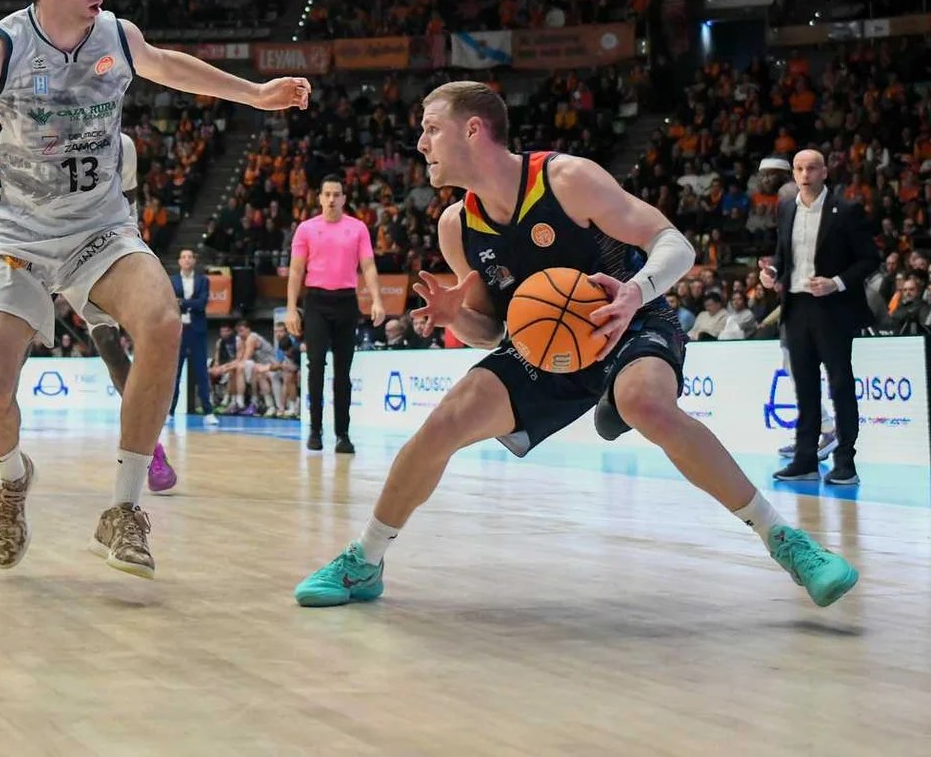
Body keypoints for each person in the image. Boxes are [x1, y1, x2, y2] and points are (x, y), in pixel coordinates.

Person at [295, 81, 857, 610]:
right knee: (444, 423)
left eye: (430, 128)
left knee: (644, 401)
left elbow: (675, 245)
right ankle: (365, 560)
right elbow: (493, 332)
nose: (420, 143)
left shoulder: (564, 179)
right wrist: (457, 317)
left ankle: (786, 541)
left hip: (625, 317)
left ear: (472, 130)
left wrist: (636, 292)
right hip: (543, 348)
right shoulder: (456, 226)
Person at [0, 0, 308, 578]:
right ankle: (11, 475)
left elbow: (169, 65)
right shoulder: (1, 49)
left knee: (163, 322)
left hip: (101, 231)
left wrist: (255, 93)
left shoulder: (117, 35)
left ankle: (124, 508)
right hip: (18, 236)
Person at [0, 133, 181, 496]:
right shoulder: (27, 133)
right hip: (30, 246)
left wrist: (125, 257)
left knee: (112, 349)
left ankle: (151, 450)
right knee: (10, 357)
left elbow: (129, 205)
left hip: (93, 247)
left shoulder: (121, 145)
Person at [760, 148, 878, 485]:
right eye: (799, 168)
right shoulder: (786, 208)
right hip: (796, 307)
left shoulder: (846, 210)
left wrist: (836, 282)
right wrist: (772, 273)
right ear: (793, 173)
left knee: (840, 384)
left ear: (824, 172)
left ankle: (846, 462)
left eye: (812, 168)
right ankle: (805, 460)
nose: (805, 174)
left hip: (833, 308)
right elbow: (784, 257)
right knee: (805, 388)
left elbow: (870, 259)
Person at [284, 177, 385, 453]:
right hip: (316, 301)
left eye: (336, 194)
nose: (331, 199)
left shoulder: (357, 228)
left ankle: (343, 434)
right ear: (319, 198)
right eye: (327, 194)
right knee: (315, 365)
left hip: (346, 302)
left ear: (344, 198)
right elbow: (296, 271)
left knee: (343, 371)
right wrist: (291, 309)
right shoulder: (306, 229)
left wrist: (377, 300)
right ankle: (315, 430)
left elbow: (368, 266)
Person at [170, 248, 217, 424]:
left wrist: (182, 302)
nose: (187, 259)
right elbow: (171, 303)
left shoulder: (203, 280)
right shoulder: (172, 281)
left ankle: (208, 412)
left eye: (190, 257)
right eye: (184, 257)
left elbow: (202, 303)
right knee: (175, 372)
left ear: (194, 261)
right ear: (179, 261)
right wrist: (190, 304)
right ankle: (169, 411)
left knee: (201, 372)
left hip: (197, 331)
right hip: (178, 331)